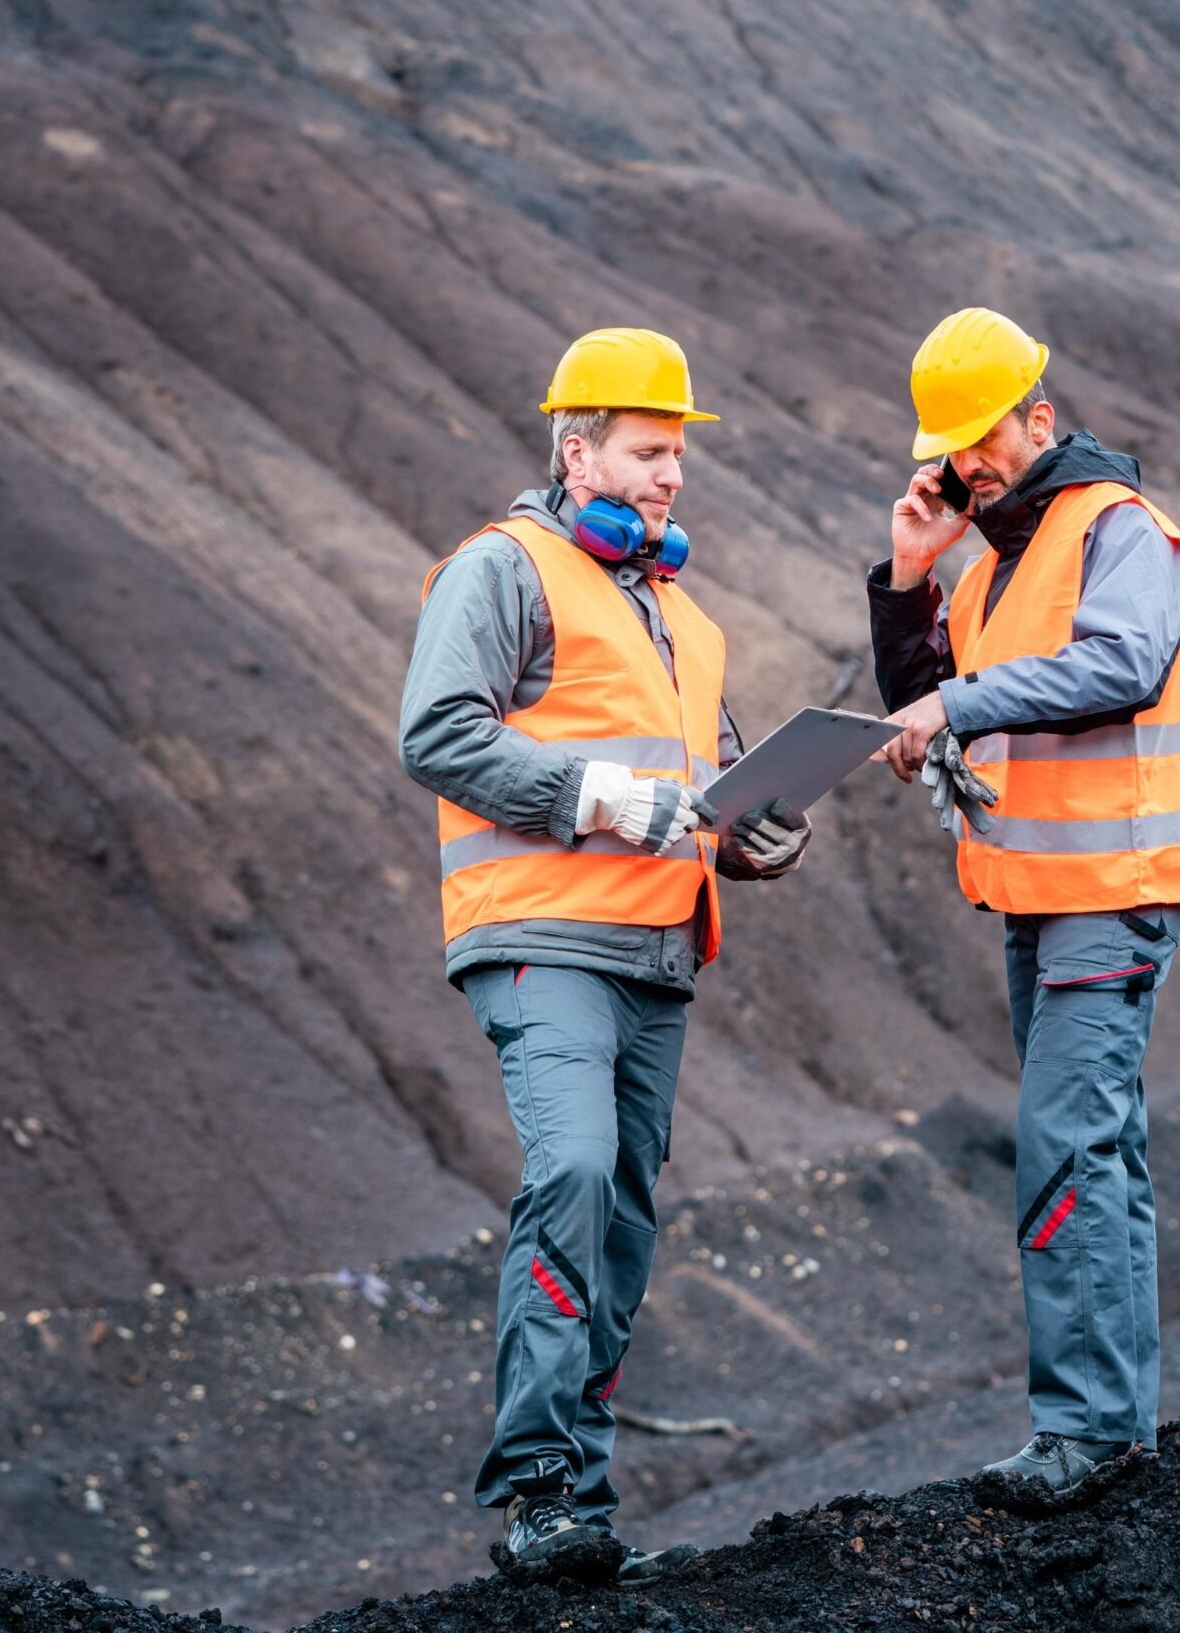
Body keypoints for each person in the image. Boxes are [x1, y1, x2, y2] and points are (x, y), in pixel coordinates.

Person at [399, 326, 810, 1583]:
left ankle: (578, 1496)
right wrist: (596, 796)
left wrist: (757, 834)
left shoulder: (684, 616)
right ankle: (532, 1491)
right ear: (576, 452)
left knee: (622, 1218)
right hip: (539, 935)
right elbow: (437, 732)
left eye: (677, 453)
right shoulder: (500, 569)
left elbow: (698, 793)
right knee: (572, 1169)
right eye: (646, 451)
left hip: (656, 951)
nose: (669, 474)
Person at [865, 307, 1180, 1495]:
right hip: (1037, 893)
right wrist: (910, 580)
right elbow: (930, 692)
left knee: (1066, 1141)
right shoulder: (993, 567)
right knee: (1097, 1145)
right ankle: (1117, 1424)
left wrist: (954, 711)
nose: (970, 463)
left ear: (1041, 418)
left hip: (1113, 888)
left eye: (985, 437)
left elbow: (1119, 664)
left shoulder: (1121, 528)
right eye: (953, 447)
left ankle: (1085, 1429)